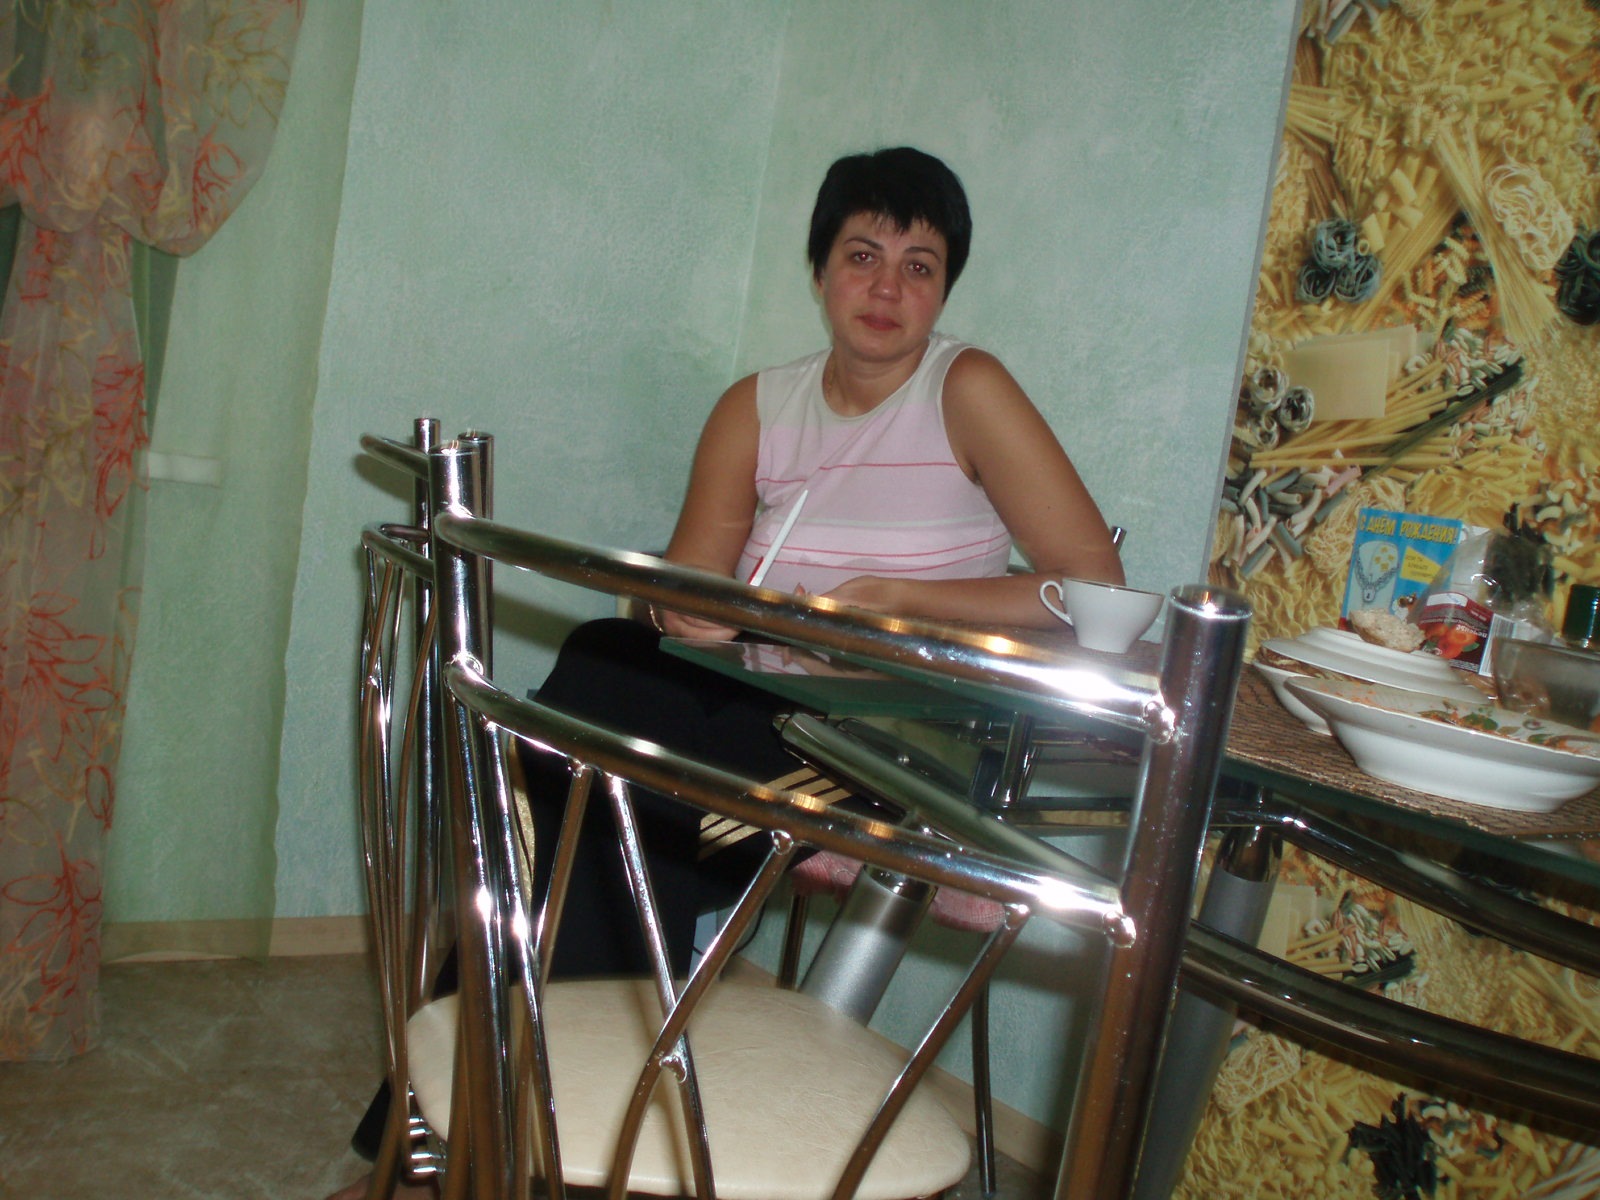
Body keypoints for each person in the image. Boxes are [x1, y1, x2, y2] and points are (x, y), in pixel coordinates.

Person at [327, 145, 1120, 1200]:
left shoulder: (964, 388)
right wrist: (680, 607)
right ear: (820, 269)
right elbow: (677, 588)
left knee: (588, 818)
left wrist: (896, 599)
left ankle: (462, 1150)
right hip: (752, 700)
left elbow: (1092, 589)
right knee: (599, 690)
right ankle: (510, 1138)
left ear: (945, 291)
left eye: (919, 266)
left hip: (880, 740)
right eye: (862, 255)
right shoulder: (758, 404)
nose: (887, 287)